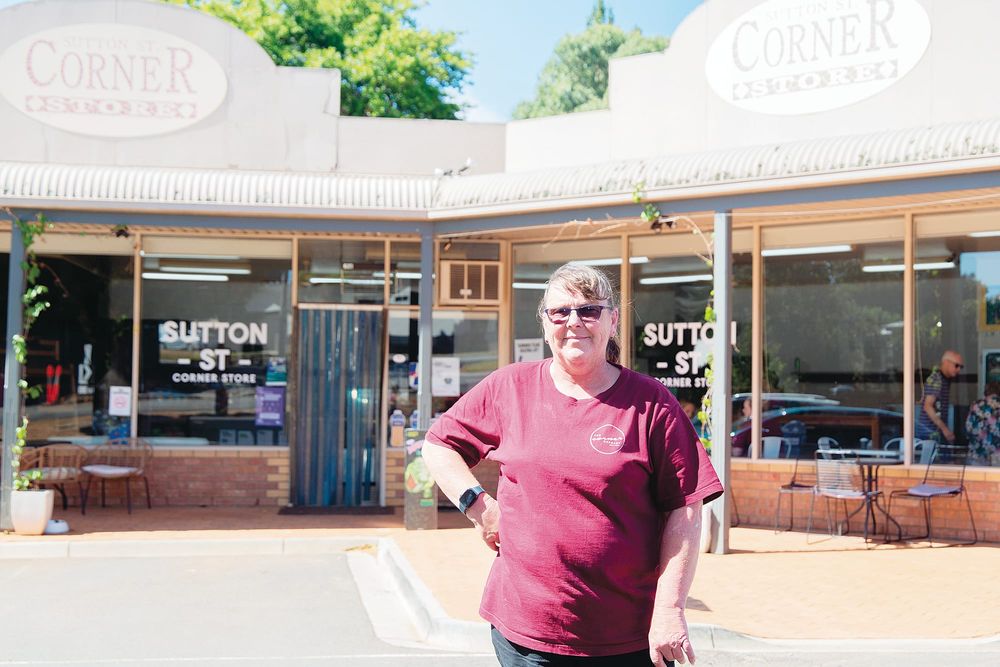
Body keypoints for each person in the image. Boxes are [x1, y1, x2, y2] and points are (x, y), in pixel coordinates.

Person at [422, 263, 724, 666]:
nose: (574, 322)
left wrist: (670, 610)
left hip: (627, 637)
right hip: (526, 633)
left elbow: (684, 509)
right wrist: (480, 508)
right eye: (560, 312)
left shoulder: (652, 404)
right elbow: (438, 445)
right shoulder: (509, 387)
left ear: (612, 321)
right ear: (545, 323)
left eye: (589, 311)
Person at [916, 350, 964, 443]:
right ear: (946, 362)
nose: (959, 370)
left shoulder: (945, 379)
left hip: (935, 431)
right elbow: (928, 406)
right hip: (929, 432)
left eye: (961, 367)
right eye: (957, 365)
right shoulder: (937, 379)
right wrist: (944, 429)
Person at [965, 382, 1000, 466]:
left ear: (986, 392)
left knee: (977, 478)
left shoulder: (976, 405)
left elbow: (968, 428)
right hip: (998, 455)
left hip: (977, 454)